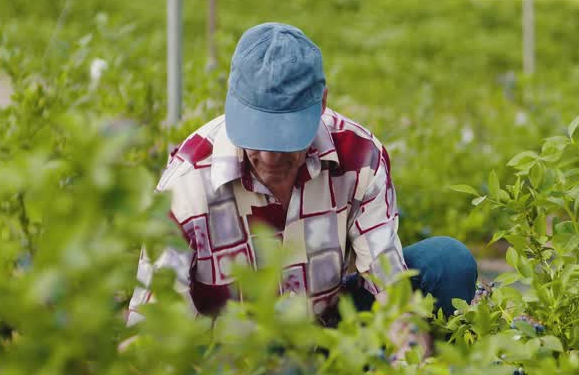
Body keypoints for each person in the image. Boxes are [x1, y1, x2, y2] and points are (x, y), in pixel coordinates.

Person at [126, 22, 477, 350]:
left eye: (283, 138)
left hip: (324, 337)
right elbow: (153, 325)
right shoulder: (186, 186)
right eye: (255, 134)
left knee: (447, 262)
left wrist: (407, 361)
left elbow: (389, 284)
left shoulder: (359, 157)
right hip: (229, 366)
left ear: (321, 105)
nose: (267, 156)